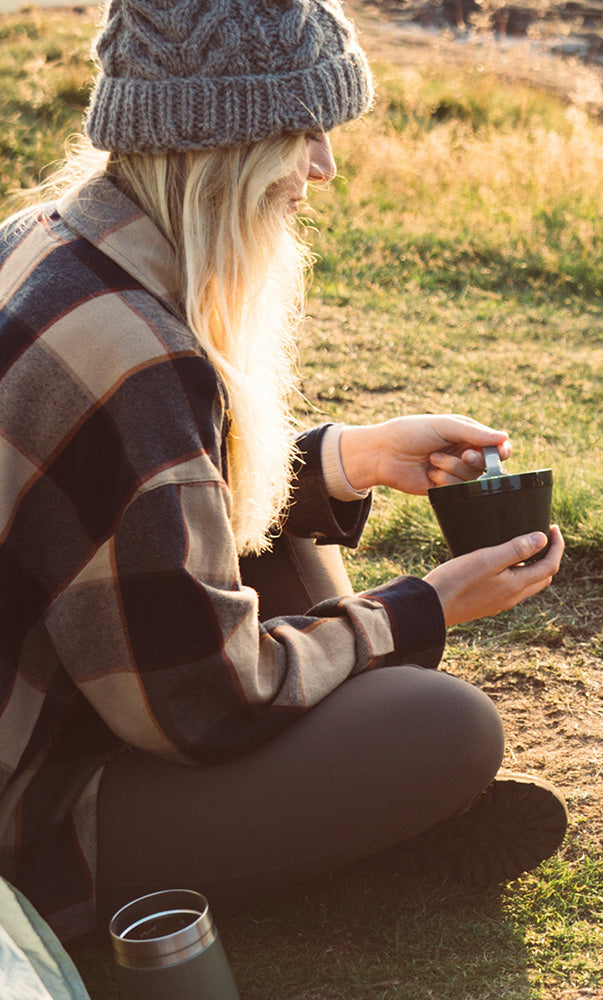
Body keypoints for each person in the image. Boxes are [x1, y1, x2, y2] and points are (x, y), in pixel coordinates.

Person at [0, 0, 567, 944]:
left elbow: (126, 505)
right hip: (34, 806)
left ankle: (369, 809)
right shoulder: (136, 356)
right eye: (302, 134)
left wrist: (349, 461)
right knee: (448, 729)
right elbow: (203, 706)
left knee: (296, 551)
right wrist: (424, 607)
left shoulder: (40, 237)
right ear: (224, 143)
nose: (324, 169)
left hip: (68, 680)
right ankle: (390, 820)